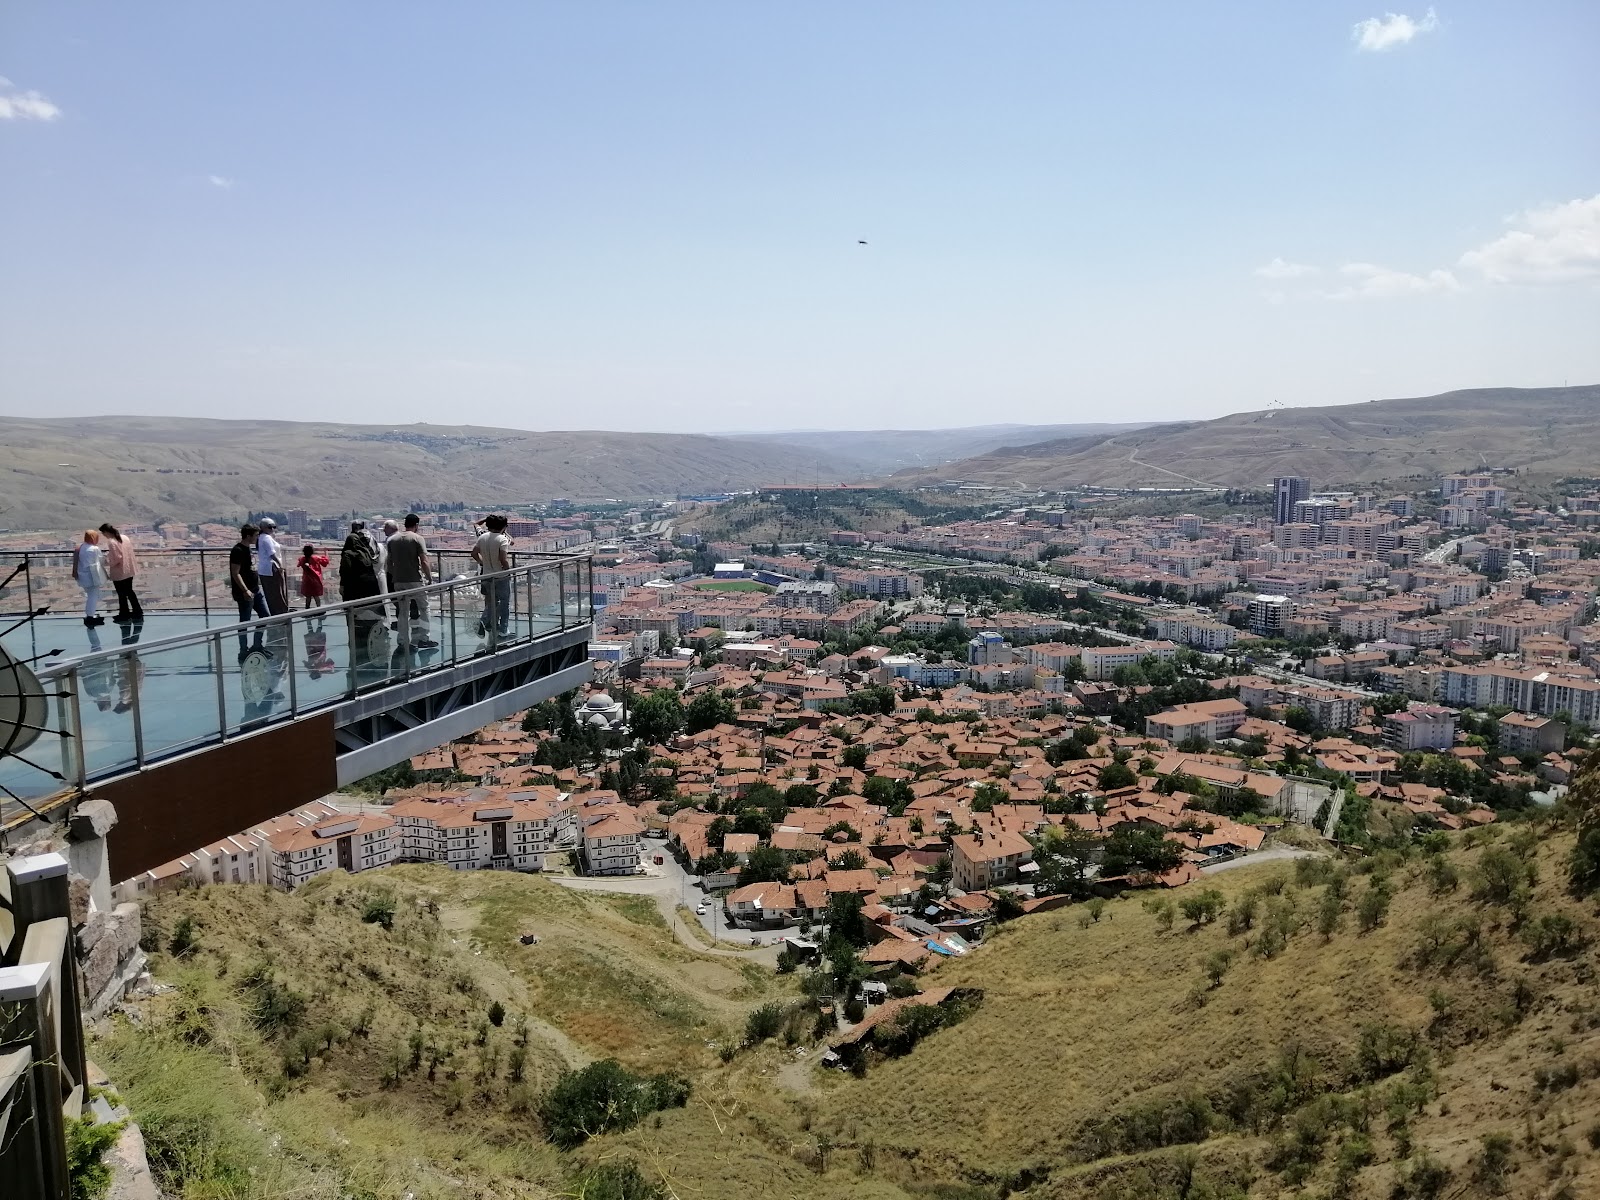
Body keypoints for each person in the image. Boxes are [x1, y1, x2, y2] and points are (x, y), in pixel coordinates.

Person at [383, 514, 437, 649]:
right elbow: (424, 561)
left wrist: (394, 575)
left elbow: (389, 563)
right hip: (415, 579)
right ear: (417, 525)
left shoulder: (392, 540)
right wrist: (429, 578)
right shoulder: (417, 539)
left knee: (402, 611)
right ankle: (423, 638)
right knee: (424, 608)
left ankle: (402, 640)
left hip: (398, 580)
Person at [229, 523, 269, 658]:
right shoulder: (238, 551)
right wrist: (245, 590)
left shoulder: (248, 549)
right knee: (245, 621)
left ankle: (257, 645)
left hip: (255, 590)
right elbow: (236, 573)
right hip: (245, 592)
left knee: (265, 616)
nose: (257, 538)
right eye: (256, 535)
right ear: (248, 536)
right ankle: (243, 651)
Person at [471, 514, 512, 639]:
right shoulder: (502, 539)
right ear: (504, 527)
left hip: (486, 575)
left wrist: (482, 562)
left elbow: (474, 553)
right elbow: (502, 559)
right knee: (504, 603)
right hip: (500, 575)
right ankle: (503, 629)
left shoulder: (482, 537)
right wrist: (507, 570)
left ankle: (483, 621)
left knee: (492, 602)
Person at [98, 523, 144, 622]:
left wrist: (106, 560)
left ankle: (124, 614)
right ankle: (137, 611)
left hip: (120, 572)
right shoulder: (125, 538)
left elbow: (116, 558)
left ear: (106, 532)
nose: (103, 535)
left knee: (121, 594)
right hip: (129, 569)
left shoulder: (112, 542)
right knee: (130, 591)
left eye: (103, 533)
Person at [73, 529, 109, 627]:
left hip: (82, 575)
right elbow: (101, 561)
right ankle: (90, 617)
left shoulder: (80, 547)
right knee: (93, 597)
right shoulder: (94, 549)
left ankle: (90, 615)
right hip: (93, 576)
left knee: (90, 596)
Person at [257, 518, 288, 615]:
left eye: (274, 527)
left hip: (264, 569)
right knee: (277, 592)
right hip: (272, 568)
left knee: (270, 593)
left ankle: (275, 613)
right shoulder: (266, 538)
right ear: (263, 528)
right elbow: (272, 554)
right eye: (270, 527)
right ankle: (281, 613)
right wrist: (280, 566)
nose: (272, 529)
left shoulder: (261, 538)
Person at [298, 544, 329, 610]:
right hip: (315, 581)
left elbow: (299, 564)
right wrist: (326, 552)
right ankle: (319, 610)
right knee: (316, 596)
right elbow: (325, 562)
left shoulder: (302, 559)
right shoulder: (316, 558)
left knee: (308, 597)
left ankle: (307, 610)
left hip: (306, 581)